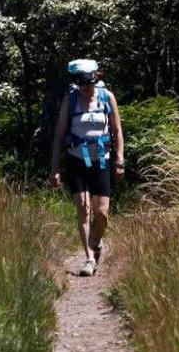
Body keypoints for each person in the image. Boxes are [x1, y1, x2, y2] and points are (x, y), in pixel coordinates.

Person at [49, 59, 125, 276]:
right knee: (83, 206)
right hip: (76, 160)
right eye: (81, 86)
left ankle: (96, 241)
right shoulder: (70, 100)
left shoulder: (107, 97)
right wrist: (55, 168)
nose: (85, 90)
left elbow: (118, 132)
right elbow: (59, 136)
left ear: (95, 81)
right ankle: (89, 258)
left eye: (88, 86)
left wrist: (119, 160)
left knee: (101, 213)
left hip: (101, 160)